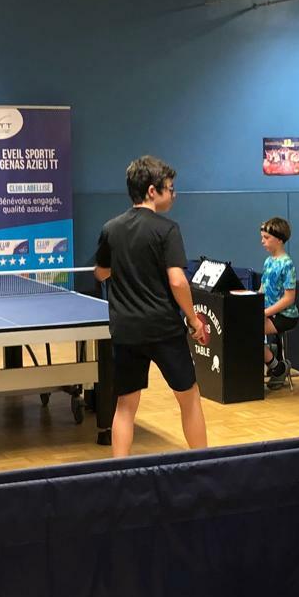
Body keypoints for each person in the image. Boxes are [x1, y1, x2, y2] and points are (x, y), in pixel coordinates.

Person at [93, 155, 211, 457]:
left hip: (126, 330)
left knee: (125, 405)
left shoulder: (111, 228)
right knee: (189, 398)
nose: (174, 194)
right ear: (151, 191)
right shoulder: (167, 229)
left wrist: (126, 265)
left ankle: (119, 471)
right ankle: (204, 465)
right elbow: (178, 281)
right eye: (170, 188)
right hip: (163, 329)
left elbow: (101, 273)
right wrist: (193, 319)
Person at [258, 216, 299, 389]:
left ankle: (278, 367)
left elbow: (289, 298)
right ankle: (270, 352)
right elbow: (263, 288)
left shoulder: (287, 264)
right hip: (268, 313)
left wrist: (265, 313)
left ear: (279, 239)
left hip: (285, 316)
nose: (262, 241)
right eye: (262, 237)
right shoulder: (268, 261)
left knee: (249, 332)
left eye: (266, 238)